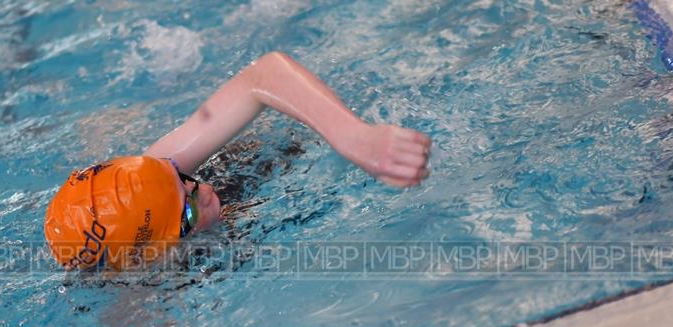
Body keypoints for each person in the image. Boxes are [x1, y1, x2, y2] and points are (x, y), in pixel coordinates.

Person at [44, 51, 432, 271]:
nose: (205, 190)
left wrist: (352, 136)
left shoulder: (150, 176)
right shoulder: (142, 300)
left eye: (183, 177)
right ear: (160, 250)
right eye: (189, 211)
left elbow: (262, 76)